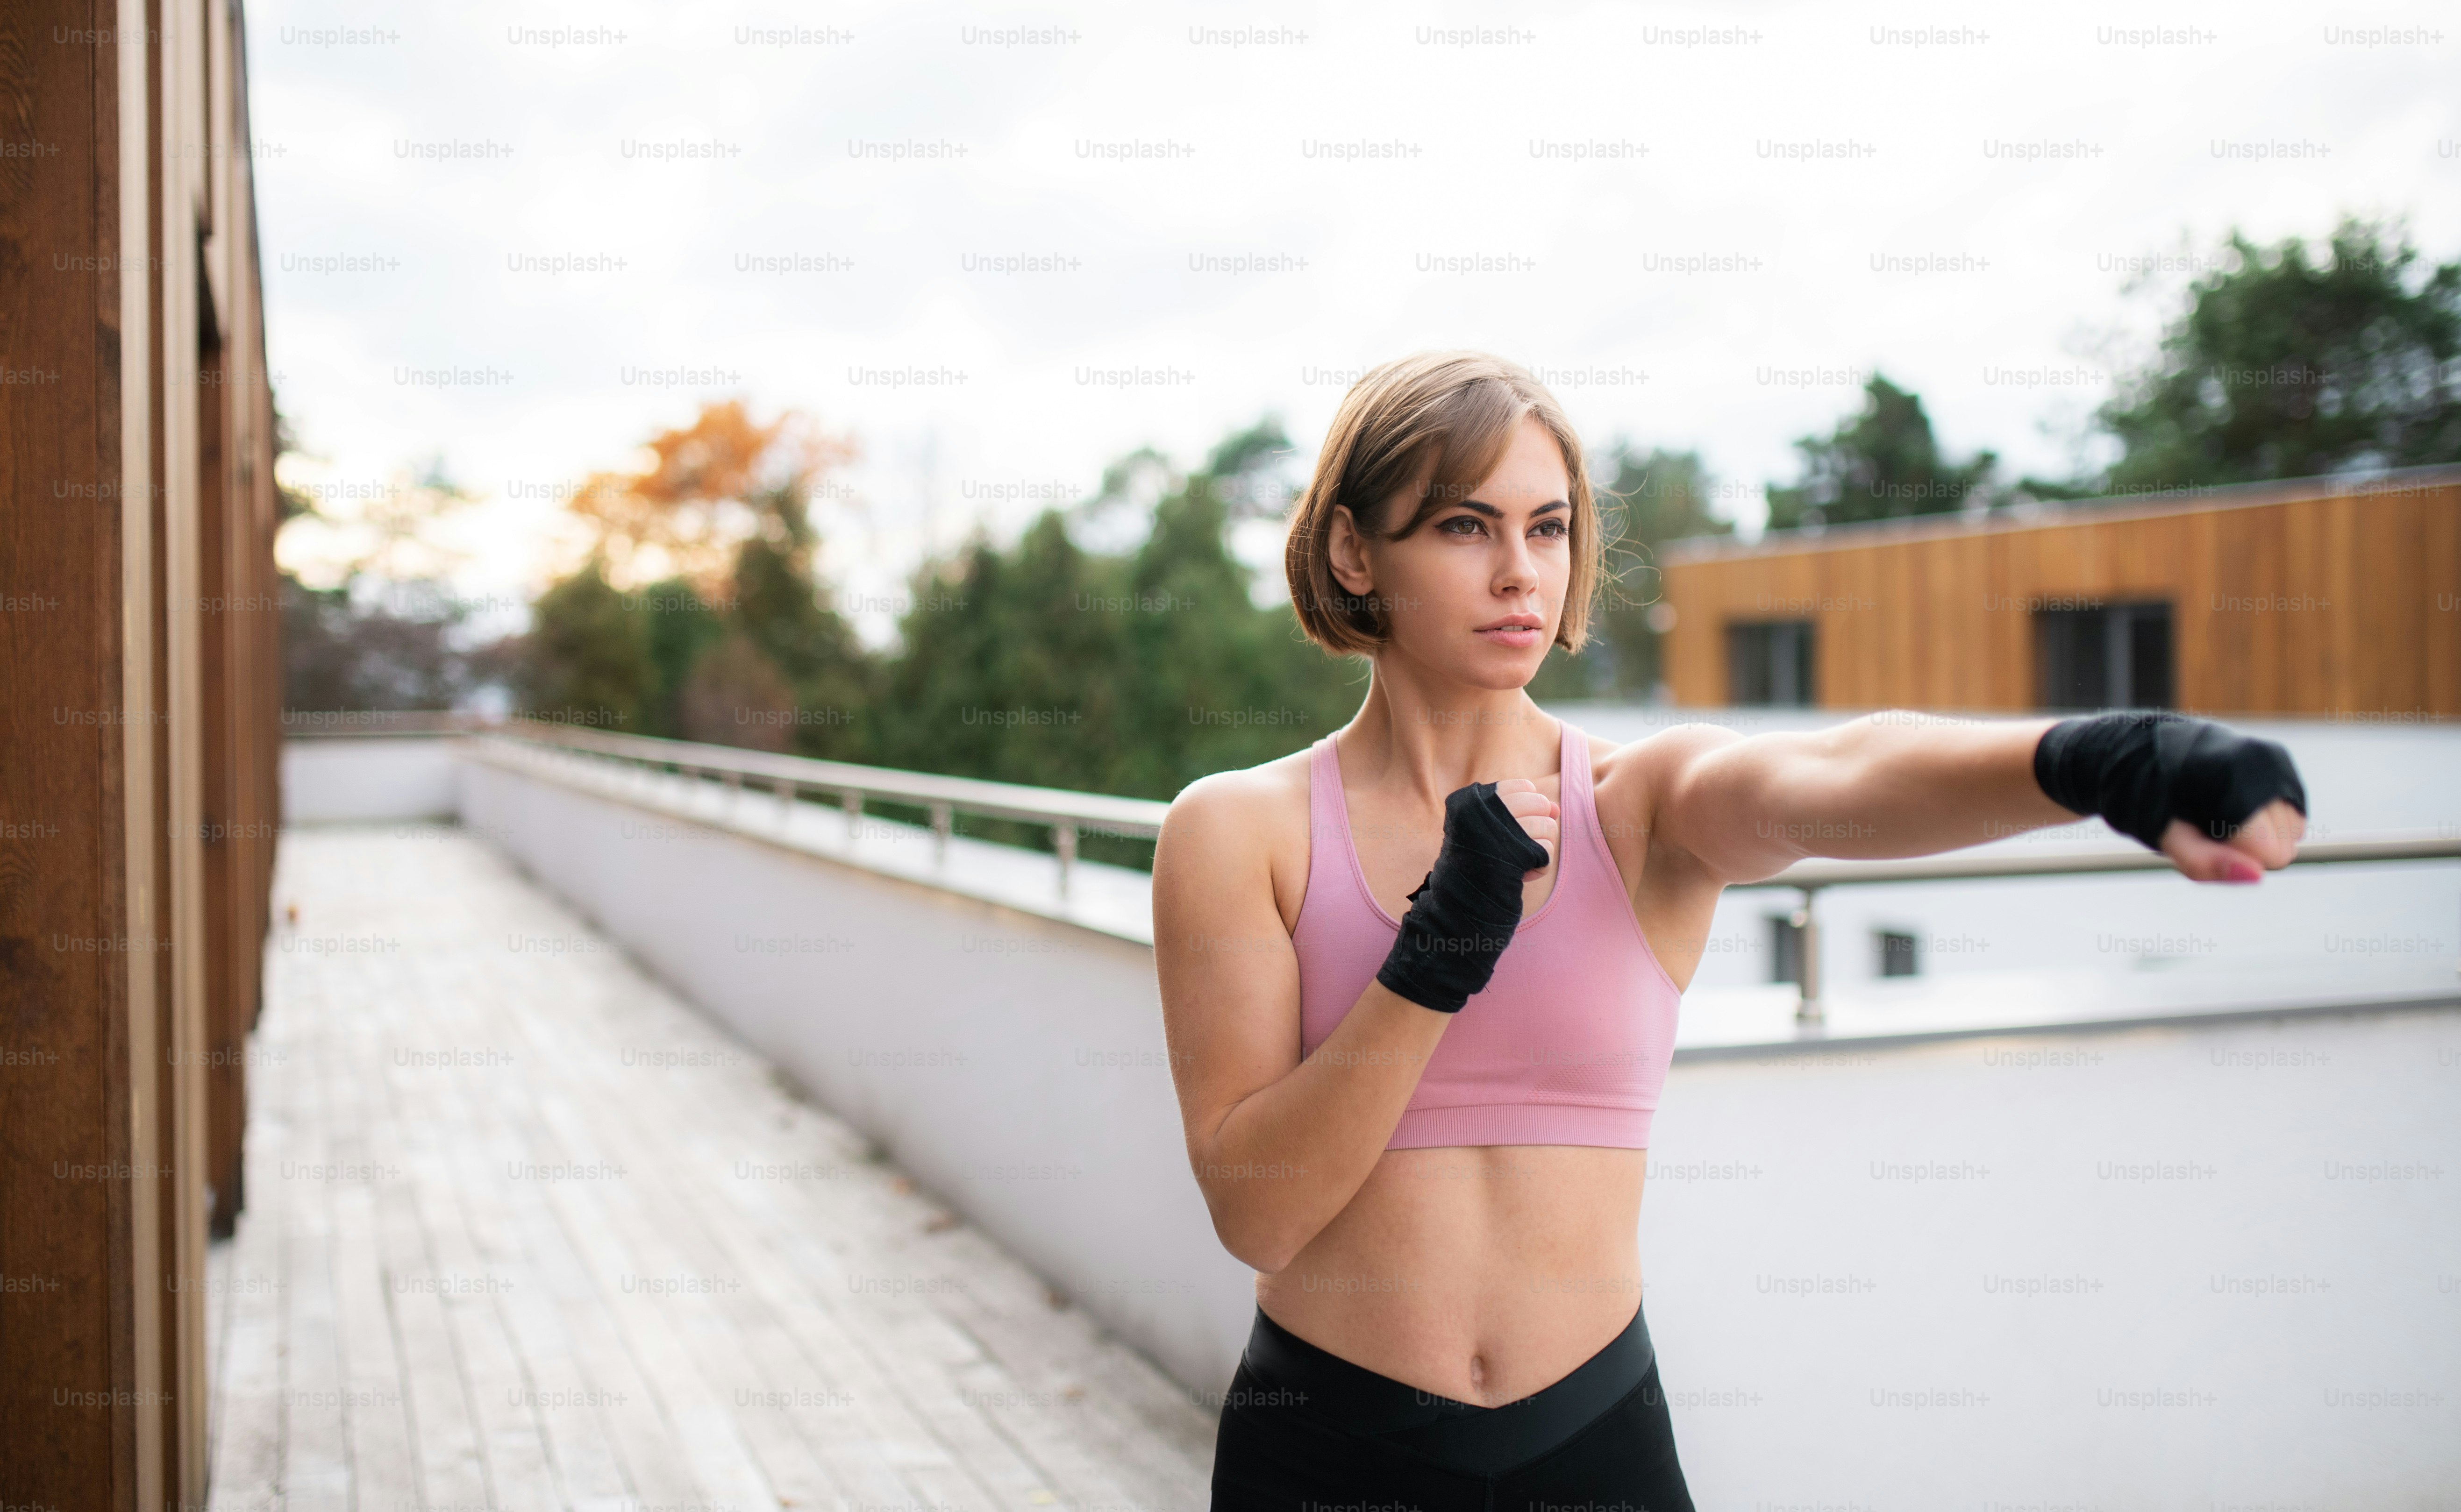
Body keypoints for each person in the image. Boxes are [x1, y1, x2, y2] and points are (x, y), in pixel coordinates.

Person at [1150, 351, 2308, 1509]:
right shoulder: (1241, 830)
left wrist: (2106, 758)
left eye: (1548, 528)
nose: (1519, 572)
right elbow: (1261, 1211)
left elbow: (1836, 764)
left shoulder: (1636, 804)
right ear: (1355, 550)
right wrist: (1433, 959)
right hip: (1326, 1450)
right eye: (1465, 525)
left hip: (1593, 1442)